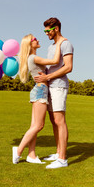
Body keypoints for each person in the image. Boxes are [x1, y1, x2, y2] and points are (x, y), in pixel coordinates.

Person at [12, 33, 66, 164]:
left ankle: (31, 155)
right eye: (35, 39)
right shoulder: (34, 58)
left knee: (34, 125)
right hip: (41, 91)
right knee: (39, 125)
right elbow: (55, 61)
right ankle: (18, 151)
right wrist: (59, 44)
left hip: (40, 90)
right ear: (30, 44)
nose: (37, 40)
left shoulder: (32, 58)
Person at [34, 17, 74, 169]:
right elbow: (50, 66)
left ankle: (62, 160)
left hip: (58, 86)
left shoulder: (66, 44)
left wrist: (48, 76)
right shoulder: (52, 47)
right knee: (53, 122)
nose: (46, 34)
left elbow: (68, 67)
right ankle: (58, 153)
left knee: (59, 121)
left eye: (47, 31)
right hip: (49, 86)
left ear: (55, 28)